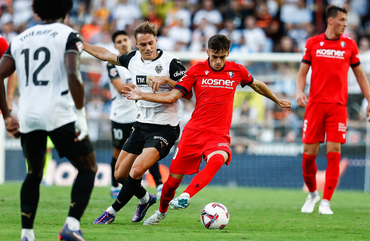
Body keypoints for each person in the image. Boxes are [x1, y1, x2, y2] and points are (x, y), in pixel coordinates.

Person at [122, 34, 292, 225]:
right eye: (214, 56)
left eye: (222, 57)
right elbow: (172, 96)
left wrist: (277, 100)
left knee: (219, 158)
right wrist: (142, 94)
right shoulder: (196, 70)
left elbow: (257, 85)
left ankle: (187, 195)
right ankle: (161, 212)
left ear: (228, 53)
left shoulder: (237, 70)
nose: (218, 61)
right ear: (207, 52)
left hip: (218, 134)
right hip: (193, 132)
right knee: (171, 184)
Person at [0, 0, 98, 240]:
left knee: (33, 173)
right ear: (66, 13)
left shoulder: (19, 39)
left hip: (28, 115)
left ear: (36, 13)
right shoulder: (68, 35)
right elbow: (73, 73)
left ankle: (26, 233)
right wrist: (80, 114)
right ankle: (71, 226)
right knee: (88, 168)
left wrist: (7, 115)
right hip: (59, 113)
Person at [83, 21, 188, 224]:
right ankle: (145, 198)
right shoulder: (132, 59)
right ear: (136, 45)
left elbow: (187, 93)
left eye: (151, 43)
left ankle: (111, 212)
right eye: (143, 45)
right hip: (141, 124)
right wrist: (82, 45)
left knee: (137, 170)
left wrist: (167, 81)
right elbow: (105, 54)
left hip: (165, 128)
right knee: (120, 174)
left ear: (156, 40)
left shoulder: (171, 62)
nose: (148, 48)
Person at [296, 5, 370, 215]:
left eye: (346, 20)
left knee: (334, 153)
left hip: (337, 107)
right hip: (314, 106)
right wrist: (299, 91)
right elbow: (302, 73)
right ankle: (312, 194)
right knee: (308, 156)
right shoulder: (313, 43)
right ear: (330, 20)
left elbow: (360, 76)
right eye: (342, 19)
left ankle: (326, 201)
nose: (345, 24)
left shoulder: (350, 45)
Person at [105, 30, 163, 199]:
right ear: (115, 46)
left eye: (125, 40)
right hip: (119, 116)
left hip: (139, 115)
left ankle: (159, 184)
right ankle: (114, 185)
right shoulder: (113, 64)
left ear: (131, 42)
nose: (123, 43)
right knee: (117, 153)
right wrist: (143, 84)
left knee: (148, 150)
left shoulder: (140, 62)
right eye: (118, 41)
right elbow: (120, 88)